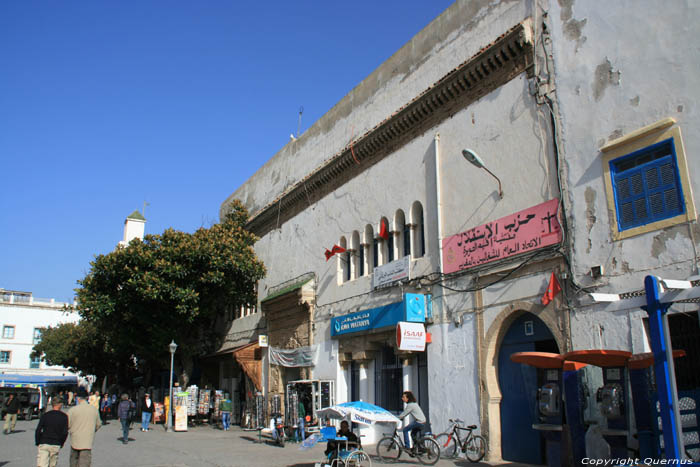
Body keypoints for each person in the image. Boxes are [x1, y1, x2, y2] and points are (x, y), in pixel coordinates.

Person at [68, 388, 101, 467]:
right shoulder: (94, 410)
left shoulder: (73, 410)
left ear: (78, 398)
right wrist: (92, 430)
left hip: (75, 440)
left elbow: (67, 424)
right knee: (85, 463)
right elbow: (98, 424)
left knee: (73, 462)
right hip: (87, 441)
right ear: (87, 398)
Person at [35, 396, 69, 467]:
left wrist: (38, 441)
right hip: (56, 443)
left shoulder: (45, 415)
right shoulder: (64, 417)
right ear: (60, 405)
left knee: (42, 464)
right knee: (52, 464)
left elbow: (38, 430)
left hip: (44, 442)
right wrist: (61, 443)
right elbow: (65, 432)